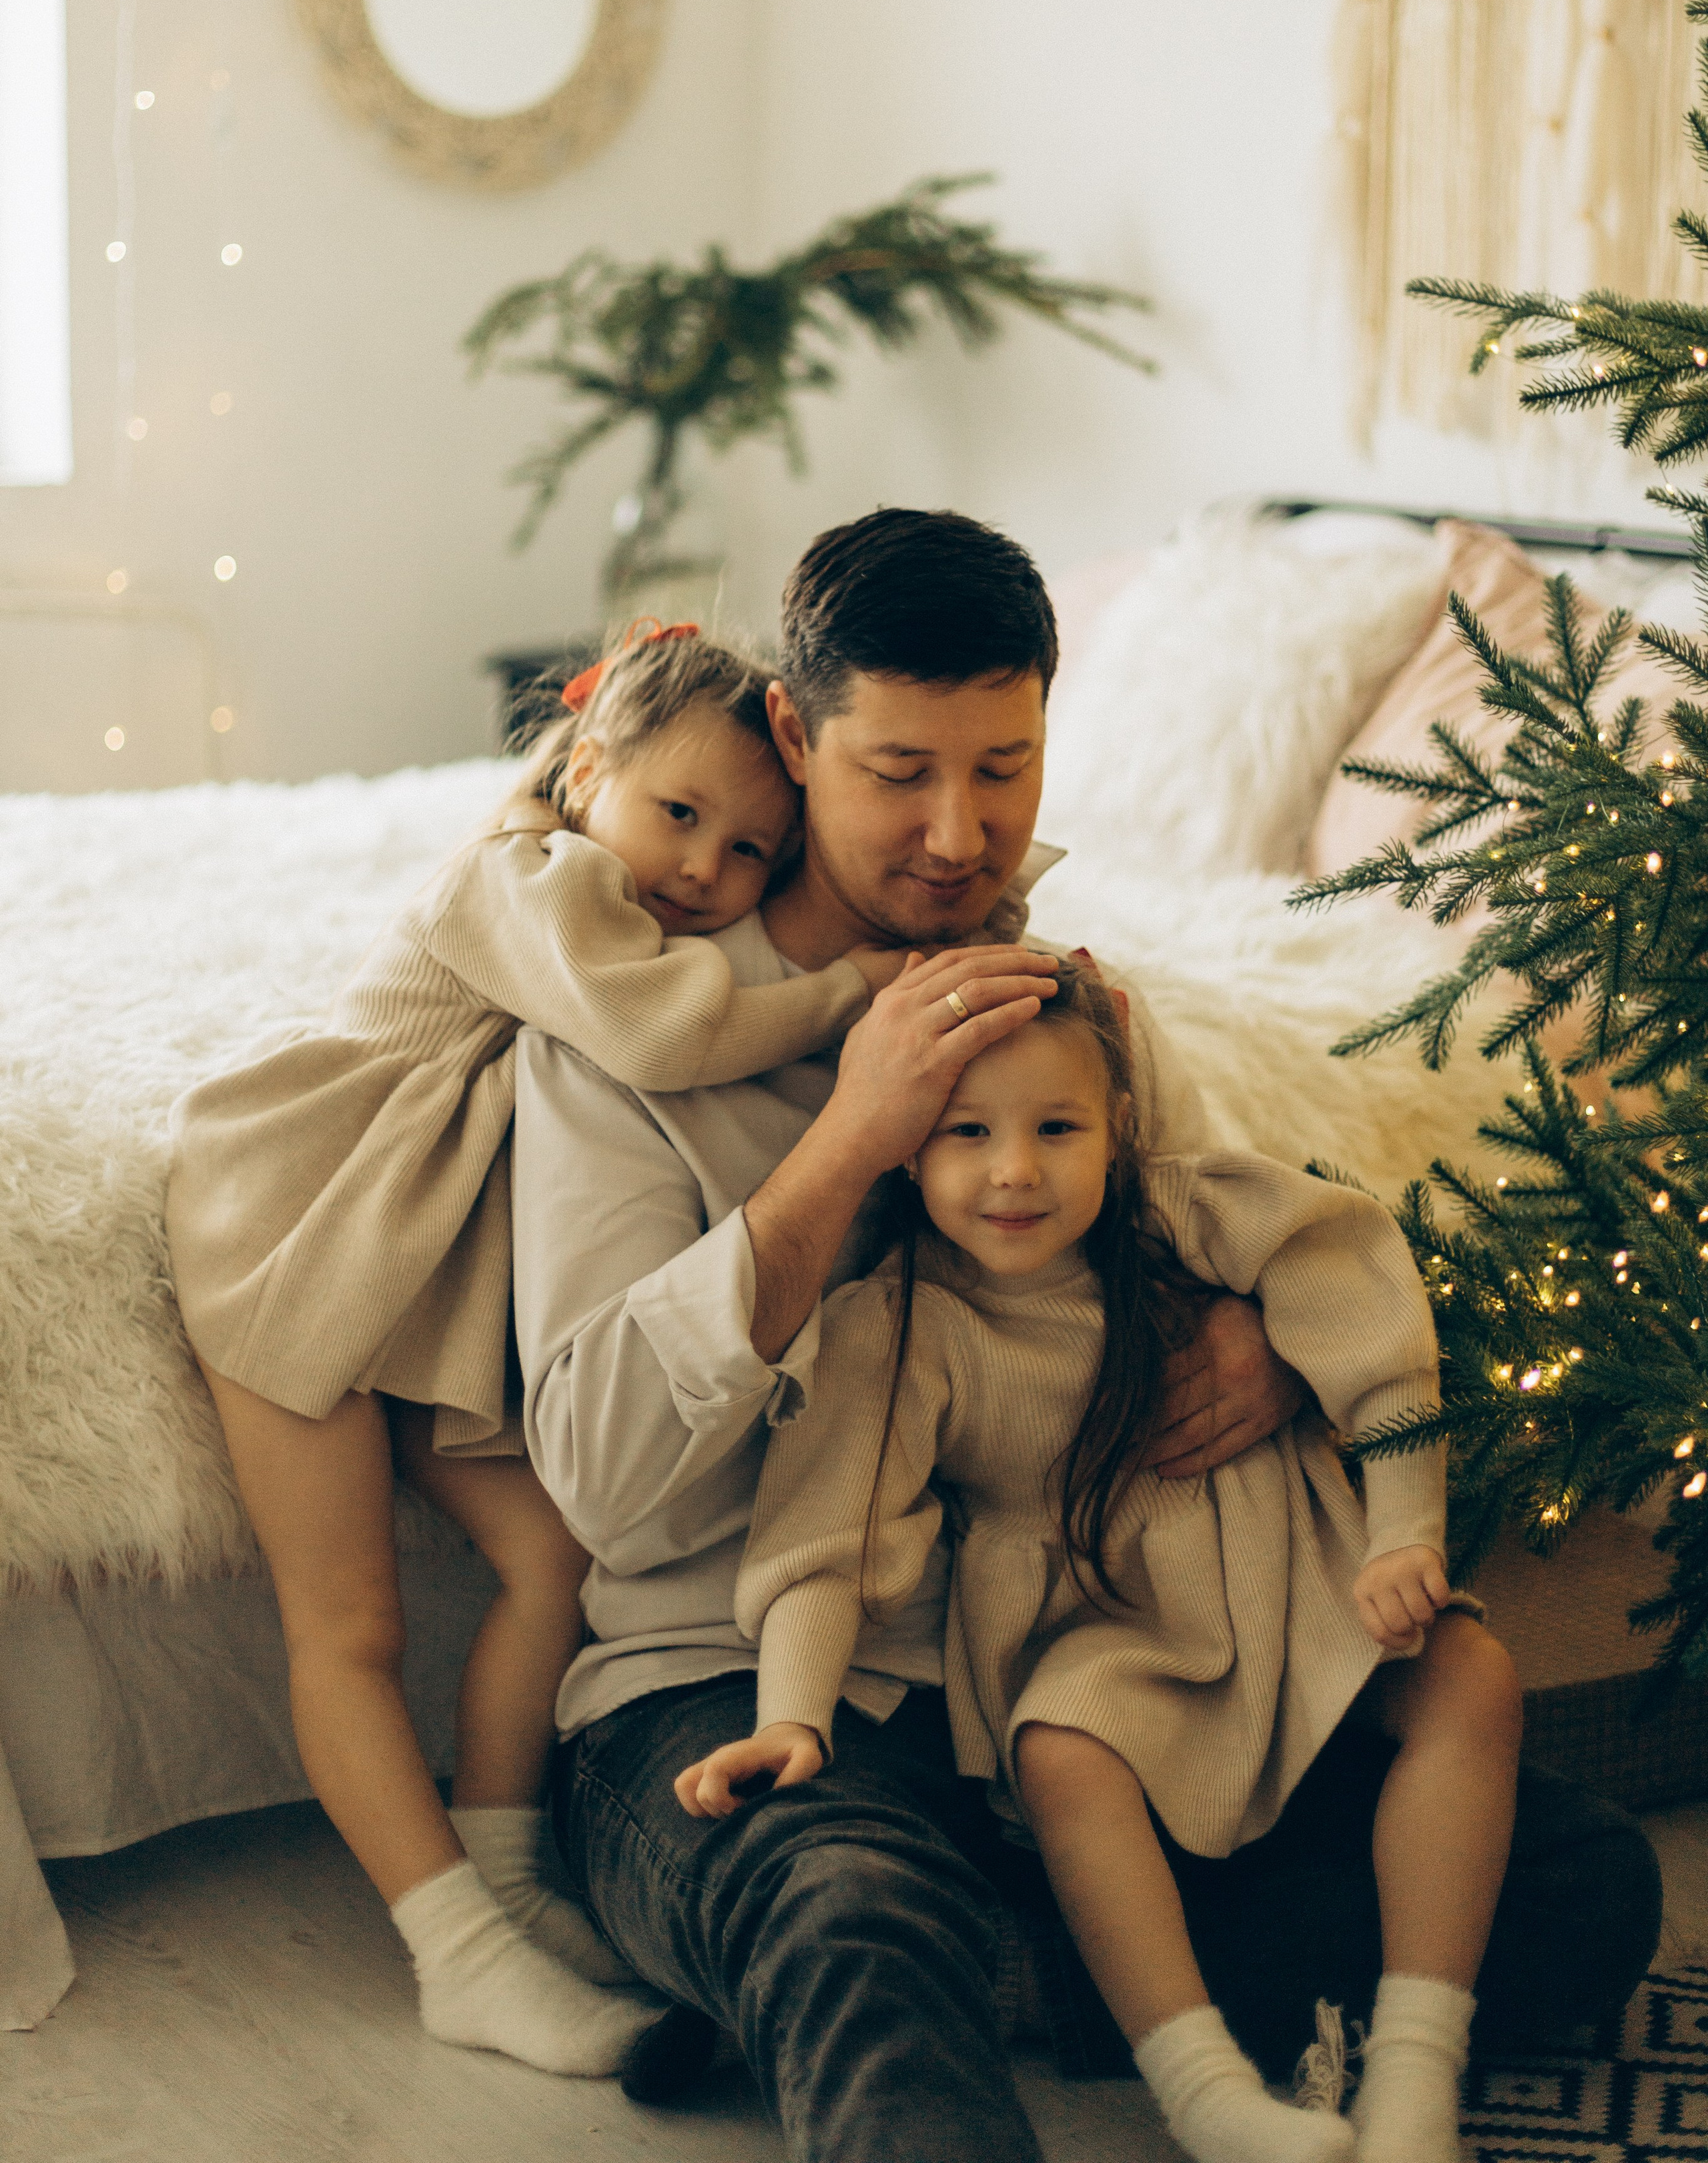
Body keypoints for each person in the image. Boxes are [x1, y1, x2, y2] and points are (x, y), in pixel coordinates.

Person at [514, 507, 1662, 2163]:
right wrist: (852, 1141)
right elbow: (606, 1485)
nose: (953, 830)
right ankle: (958, 1967)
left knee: (1579, 1883)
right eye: (899, 770)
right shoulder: (618, 1046)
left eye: (1006, 767)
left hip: (1078, 1681)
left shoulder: (1070, 1012)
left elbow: (1219, 1242)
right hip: (740, 1688)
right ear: (792, 734)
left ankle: (1030, 1970)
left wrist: (1267, 1357)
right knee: (845, 1905)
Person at [165, 626, 901, 2076]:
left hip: (425, 1263)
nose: (703, 872)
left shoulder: (622, 888)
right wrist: (846, 996)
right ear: (582, 771)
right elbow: (657, 1033)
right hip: (300, 1223)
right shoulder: (523, 872)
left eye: (752, 851)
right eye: (675, 815)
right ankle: (455, 1951)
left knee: (553, 1560)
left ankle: (508, 1883)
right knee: (350, 1624)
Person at [679, 961, 1523, 2163]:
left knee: (1473, 1677)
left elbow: (1358, 1295)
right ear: (906, 1149)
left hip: (1281, 1564)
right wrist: (792, 1717)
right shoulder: (905, 1322)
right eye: (967, 1133)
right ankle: (1205, 2091)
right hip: (1103, 1622)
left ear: (1118, 1130)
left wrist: (1403, 1531)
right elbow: (833, 1536)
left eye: (1056, 1129)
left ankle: (1414, 2076)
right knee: (1060, 1752)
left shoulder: (1180, 1216)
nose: (1014, 1169)